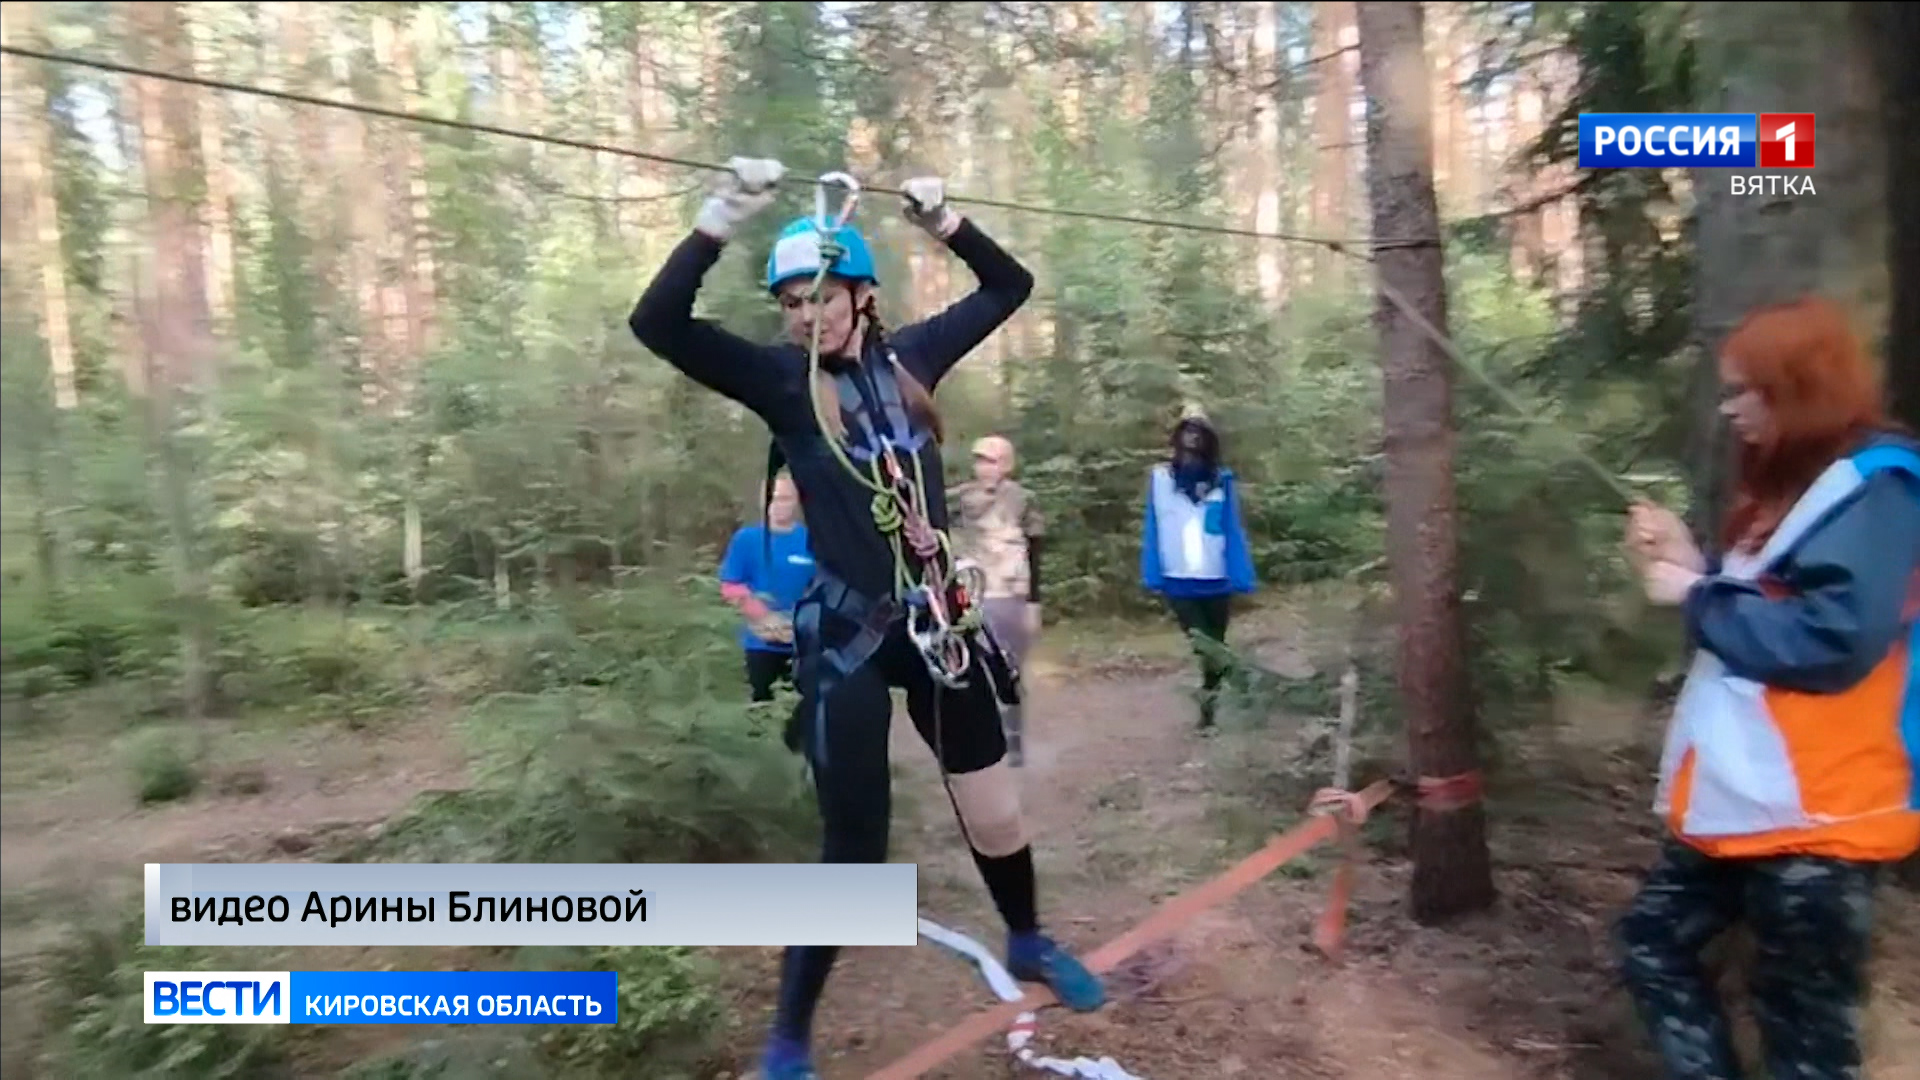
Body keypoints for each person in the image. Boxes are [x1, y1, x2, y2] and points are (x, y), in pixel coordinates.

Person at [628, 158, 1103, 1080]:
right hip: (845, 637)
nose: (806, 315)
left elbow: (1009, 286)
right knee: (853, 851)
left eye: (821, 297)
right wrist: (718, 219)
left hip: (938, 625)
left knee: (994, 810)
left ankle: (1028, 941)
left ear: (860, 296)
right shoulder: (778, 380)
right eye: (791, 303)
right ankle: (789, 1037)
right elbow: (659, 324)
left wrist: (945, 222)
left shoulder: (914, 360)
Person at [1615, 294, 1920, 1080]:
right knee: (1653, 942)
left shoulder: (1878, 491)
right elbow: (1771, 599)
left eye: (1742, 391)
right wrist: (1698, 564)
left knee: (1804, 1031)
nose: (1729, 410)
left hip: (1820, 812)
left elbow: (1833, 641)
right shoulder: (1805, 486)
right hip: (1743, 799)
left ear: (1795, 391)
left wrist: (1695, 595)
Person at [1138, 408, 1256, 729]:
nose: (1192, 437)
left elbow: (1231, 528)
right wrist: (1152, 572)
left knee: (1216, 644)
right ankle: (1236, 691)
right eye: (1187, 430)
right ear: (1177, 437)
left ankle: (1209, 712)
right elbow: (1153, 527)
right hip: (1178, 578)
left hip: (1215, 577)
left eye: (1199, 432)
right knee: (1202, 644)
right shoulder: (1161, 479)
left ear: (1209, 440)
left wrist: (1240, 573)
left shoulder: (1222, 479)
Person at [952, 434, 1044, 765]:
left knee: (1008, 669)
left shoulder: (1023, 499)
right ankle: (980, 742)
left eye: (992, 461)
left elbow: (1035, 550)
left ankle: (1014, 737)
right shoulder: (960, 498)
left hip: (1010, 593)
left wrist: (1034, 603)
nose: (985, 468)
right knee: (971, 668)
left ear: (1007, 464)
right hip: (973, 593)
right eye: (980, 460)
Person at [719, 470, 813, 706]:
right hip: (759, 645)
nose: (778, 505)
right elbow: (730, 586)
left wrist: (800, 624)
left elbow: (825, 587)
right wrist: (764, 617)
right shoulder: (746, 539)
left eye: (785, 498)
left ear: (797, 501)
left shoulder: (812, 540)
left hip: (804, 646)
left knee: (803, 711)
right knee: (762, 710)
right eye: (773, 498)